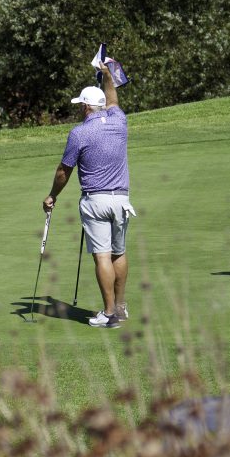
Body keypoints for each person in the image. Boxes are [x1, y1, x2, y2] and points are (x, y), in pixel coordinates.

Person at [42, 51, 135, 328]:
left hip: (96, 202)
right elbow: (113, 100)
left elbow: (64, 171)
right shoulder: (119, 121)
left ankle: (109, 314)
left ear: (85, 107)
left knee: (102, 256)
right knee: (119, 253)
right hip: (122, 200)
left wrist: (52, 195)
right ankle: (120, 308)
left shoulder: (79, 133)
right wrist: (106, 74)